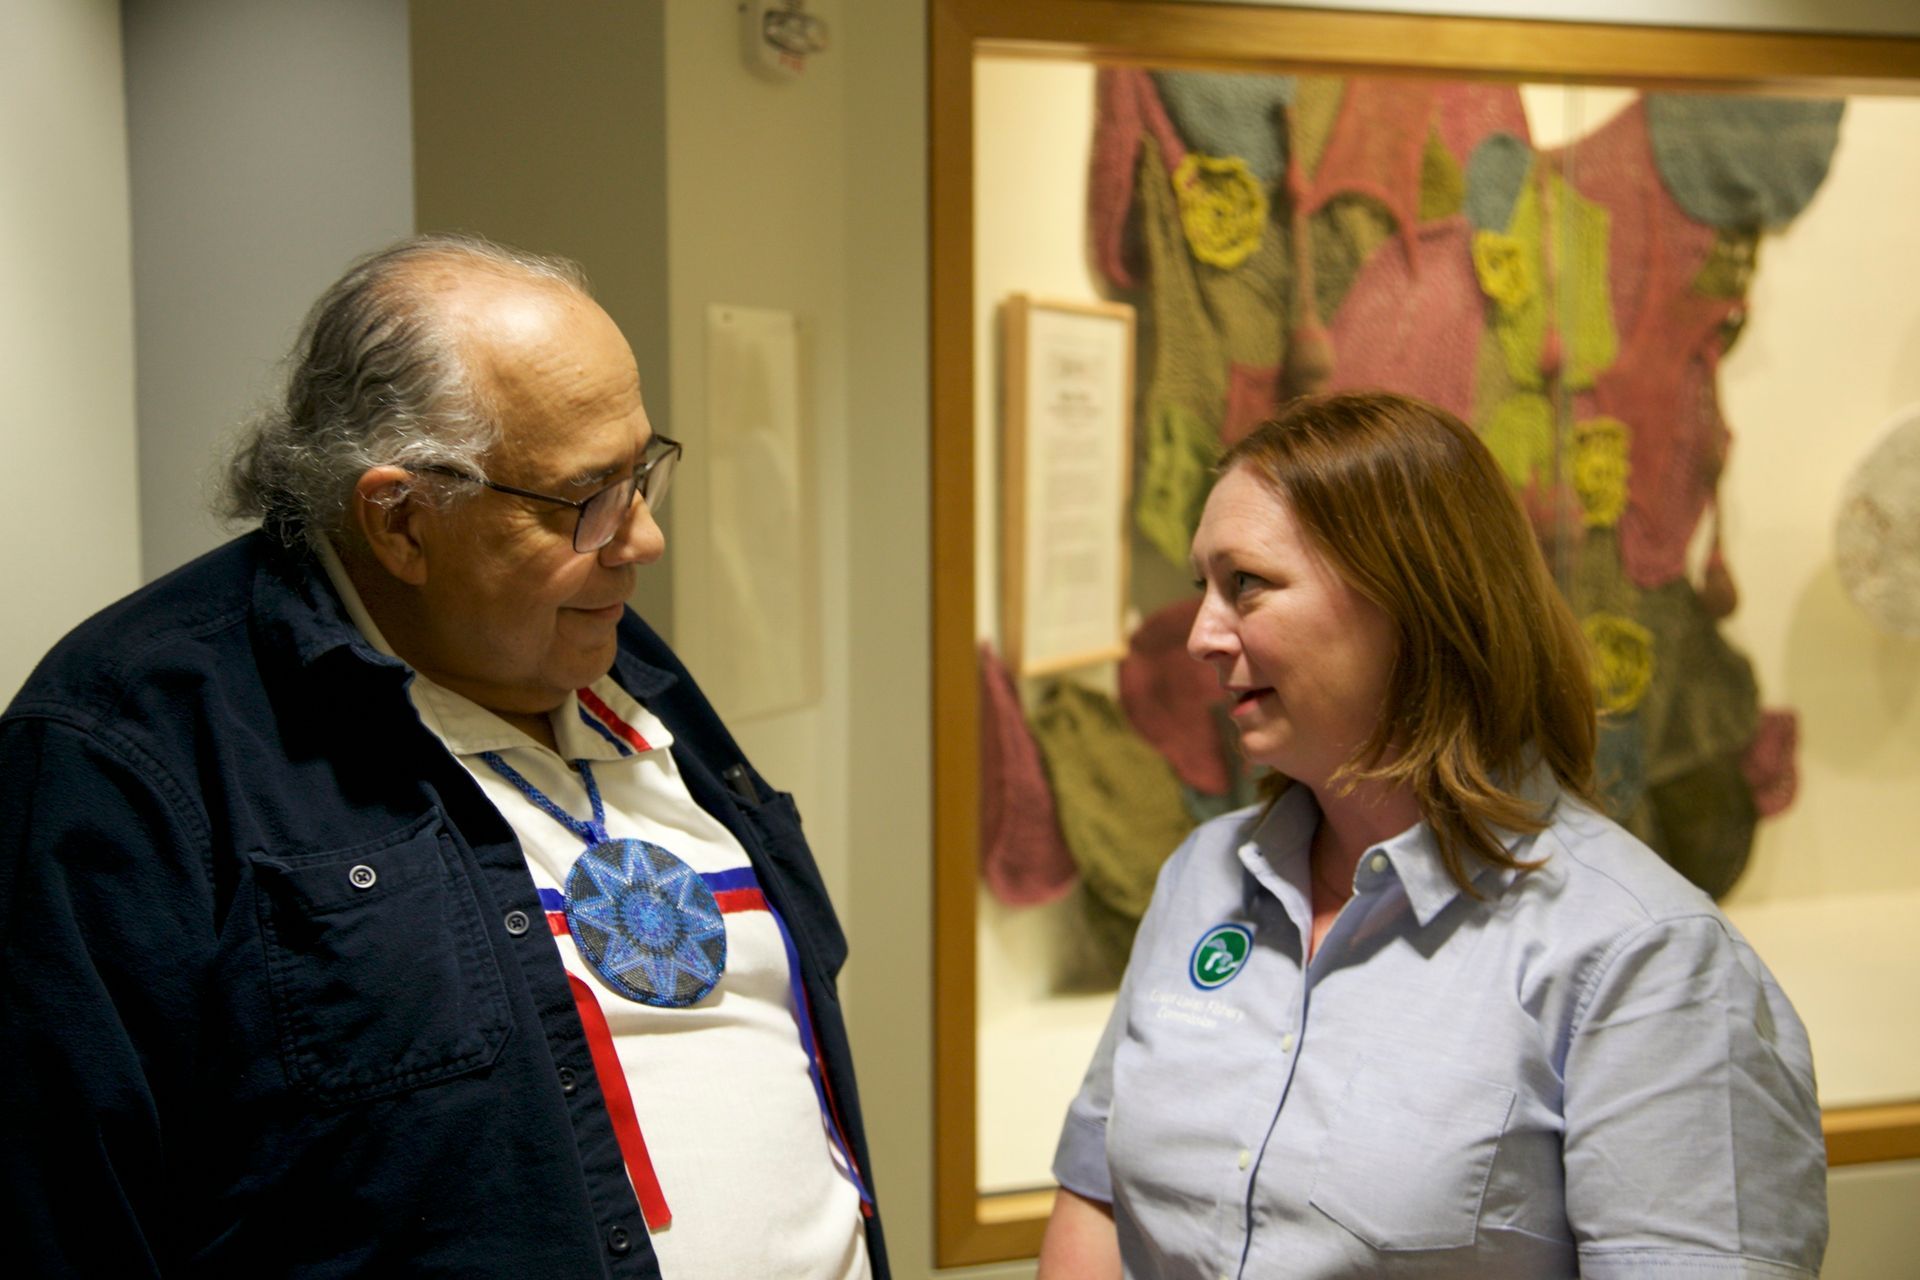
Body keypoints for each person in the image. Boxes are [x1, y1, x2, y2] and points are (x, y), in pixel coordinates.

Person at [0, 235, 885, 1279]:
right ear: (402, 520)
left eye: (642, 472)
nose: (642, 540)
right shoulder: (130, 745)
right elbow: (59, 1208)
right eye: (587, 497)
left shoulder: (609, 649)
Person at [1037, 392, 1826, 1278]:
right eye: (1202, 588)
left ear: (1408, 599)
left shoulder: (1645, 960)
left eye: (1246, 585)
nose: (1202, 636)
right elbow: (1096, 1196)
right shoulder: (1203, 877)